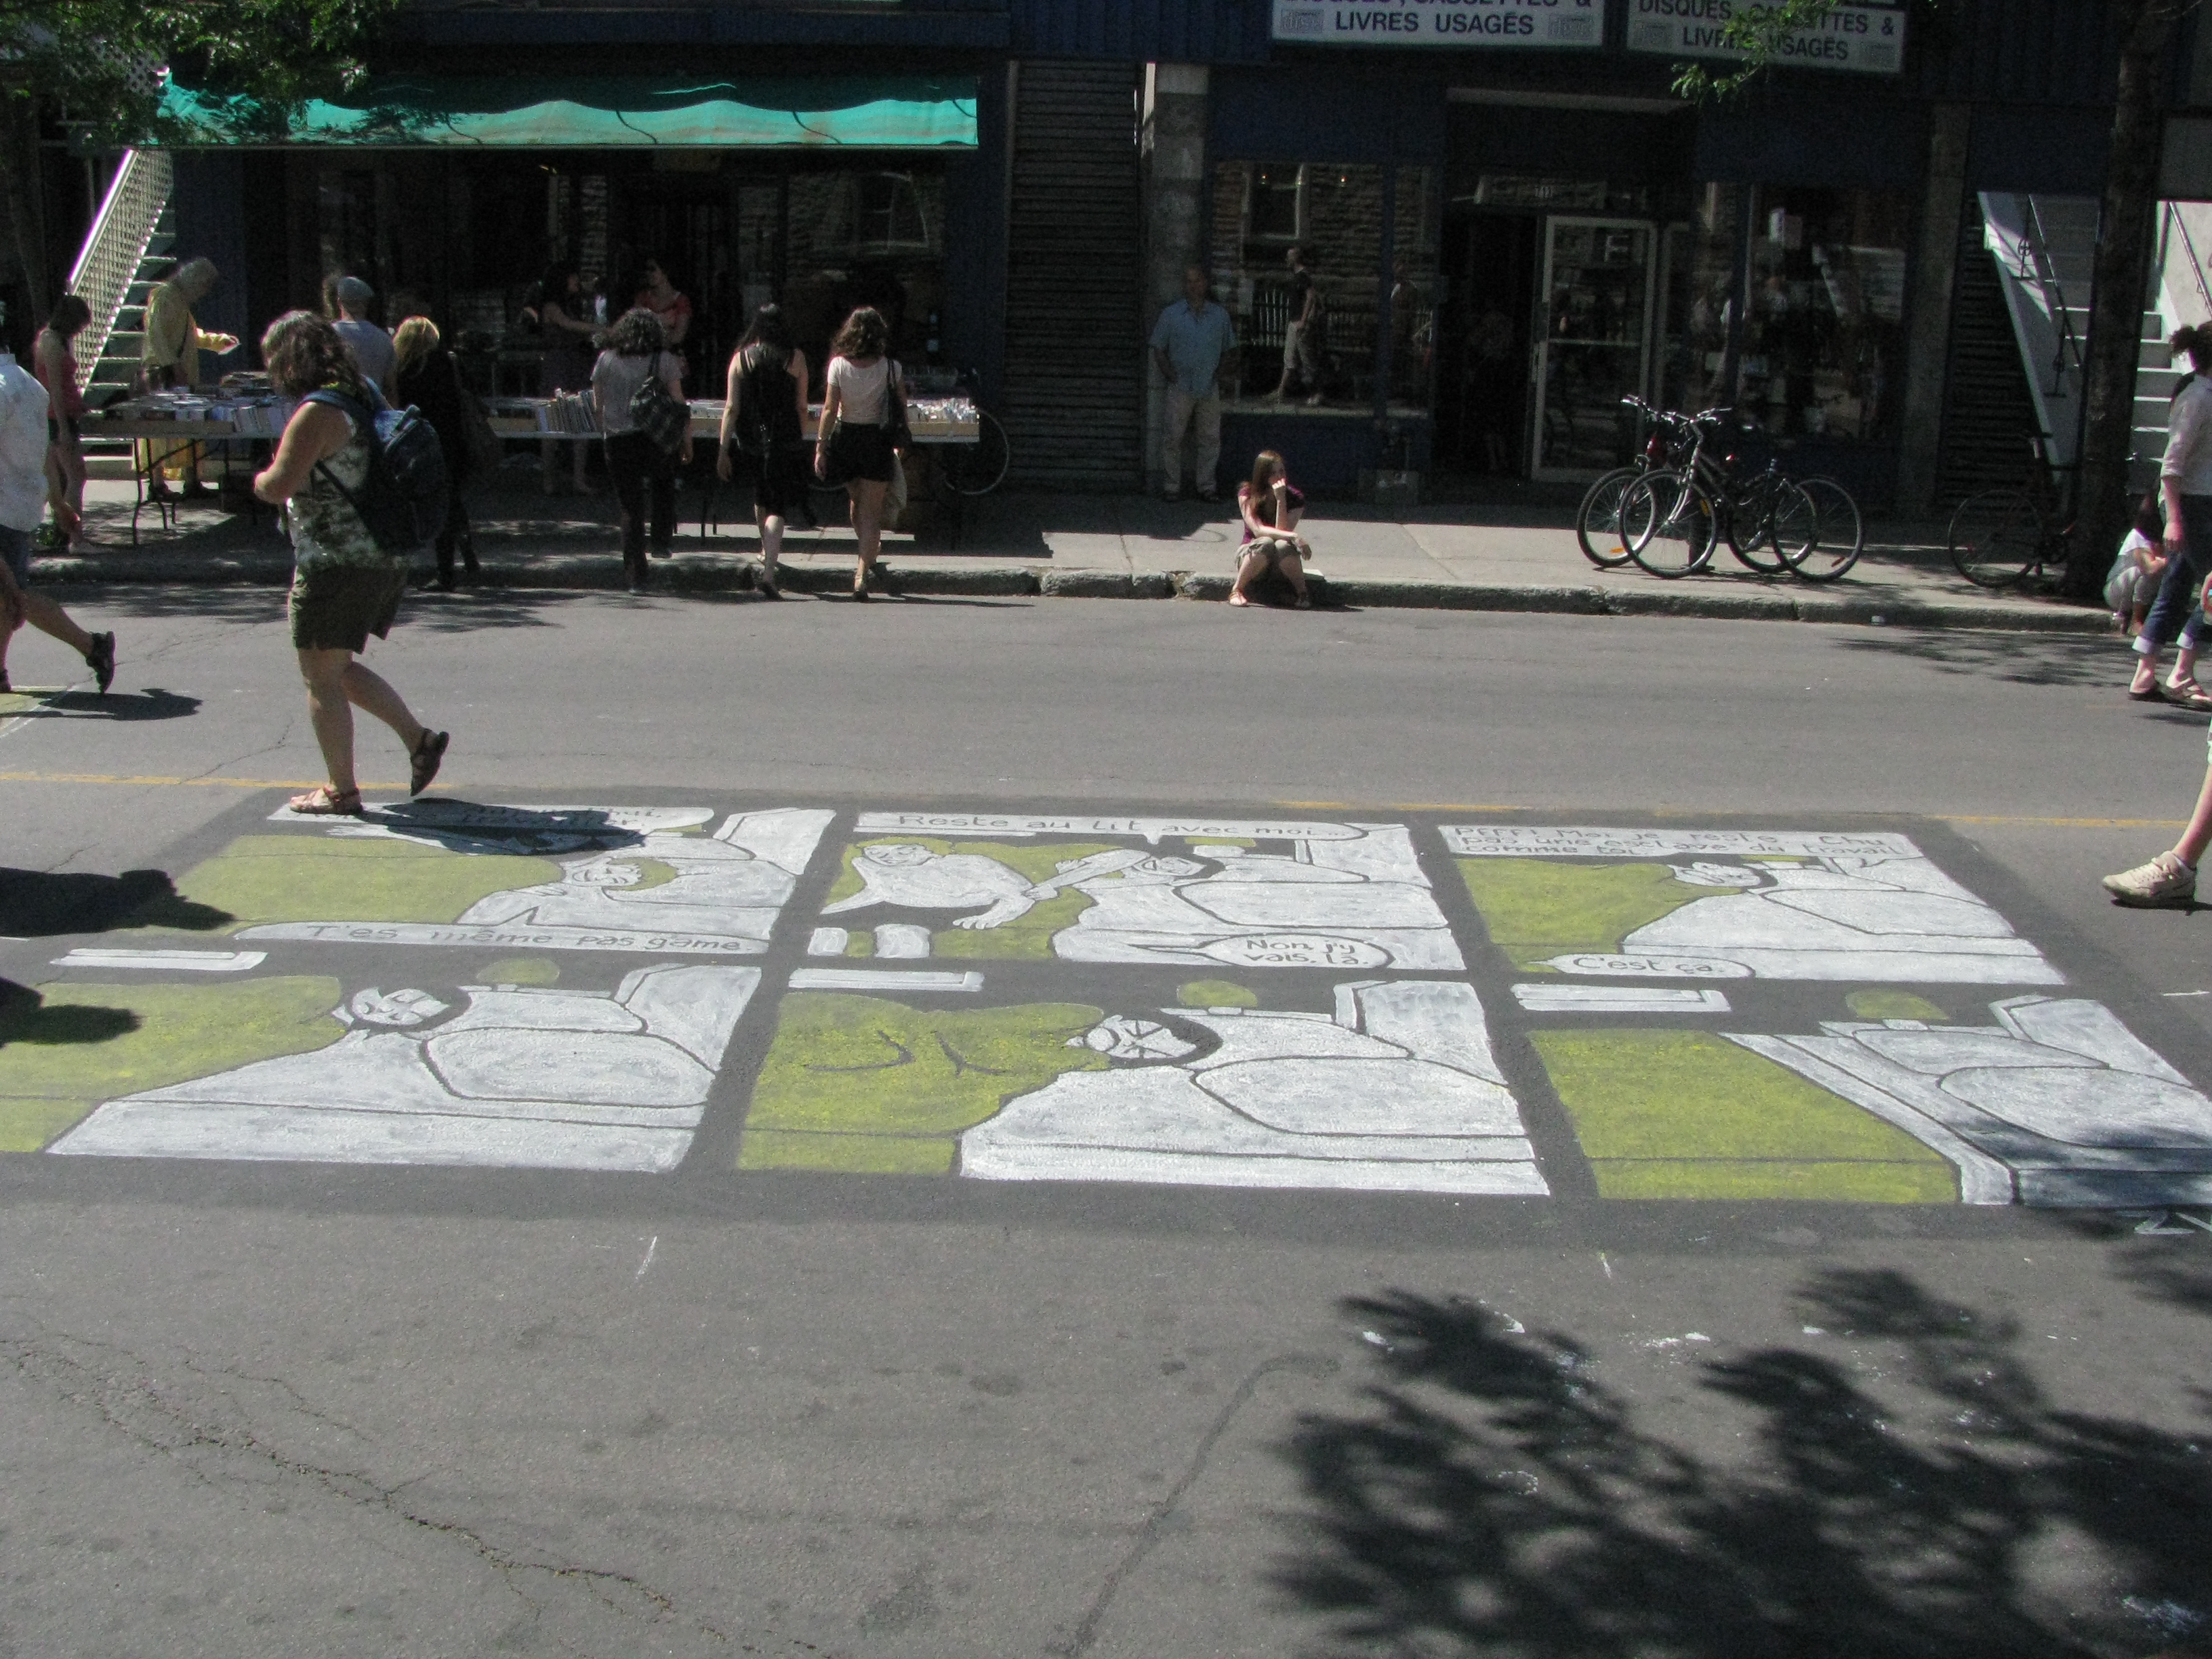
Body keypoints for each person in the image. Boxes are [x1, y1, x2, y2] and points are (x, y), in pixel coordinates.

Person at [251, 310, 447, 817]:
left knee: (320, 678)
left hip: (335, 561)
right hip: (382, 554)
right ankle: (420, 741)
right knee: (335, 668)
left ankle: (342, 790)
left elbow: (279, 484)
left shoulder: (316, 412)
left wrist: (258, 480)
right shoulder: (362, 392)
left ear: (287, 362)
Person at [0, 340, 113, 695]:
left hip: (4, 506)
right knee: (10, 594)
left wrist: (58, 502)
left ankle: (91, 645)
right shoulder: (30, 386)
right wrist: (57, 502)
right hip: (19, 506)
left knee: (13, 595)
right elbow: (44, 452)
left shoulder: (3, 390)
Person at [2129, 324, 2212, 709]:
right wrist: (2174, 519)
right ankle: (2181, 673)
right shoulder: (2198, 397)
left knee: (2177, 586)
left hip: (2202, 502)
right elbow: (2172, 464)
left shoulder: (2205, 393)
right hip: (2192, 505)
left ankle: (2145, 674)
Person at [592, 306, 690, 594]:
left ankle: (636, 577)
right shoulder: (664, 360)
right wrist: (687, 442)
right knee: (664, 483)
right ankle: (661, 541)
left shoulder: (606, 359)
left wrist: (605, 433)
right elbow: (679, 405)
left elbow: (598, 405)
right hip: (654, 438)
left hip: (618, 440)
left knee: (630, 507)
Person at [717, 303, 810, 600]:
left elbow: (732, 408)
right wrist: (802, 437)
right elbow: (801, 405)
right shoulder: (795, 358)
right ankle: (769, 572)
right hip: (785, 439)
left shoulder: (740, 359)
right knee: (777, 506)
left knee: (760, 495)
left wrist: (723, 449)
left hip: (752, 441)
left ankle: (764, 548)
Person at [814, 305, 905, 600]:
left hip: (847, 439)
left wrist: (821, 446)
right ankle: (864, 569)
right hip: (876, 441)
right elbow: (901, 407)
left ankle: (864, 566)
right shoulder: (891, 368)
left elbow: (830, 409)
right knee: (869, 511)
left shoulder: (838, 366)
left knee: (858, 504)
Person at [391, 316, 480, 590]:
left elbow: (398, 406)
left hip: (420, 443)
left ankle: (445, 573)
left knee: (433, 503)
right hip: (453, 439)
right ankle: (466, 558)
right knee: (452, 501)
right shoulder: (449, 362)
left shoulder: (404, 369)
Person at [140, 257, 239, 497]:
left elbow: (189, 335)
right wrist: (173, 365)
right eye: (204, 287)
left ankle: (191, 480)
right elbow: (157, 334)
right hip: (165, 374)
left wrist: (216, 341)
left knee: (187, 426)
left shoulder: (178, 300)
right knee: (161, 430)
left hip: (178, 372)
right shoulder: (165, 296)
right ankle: (157, 484)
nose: (203, 293)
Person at [1151, 264, 1236, 503]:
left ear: (1205, 284)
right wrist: (1170, 375)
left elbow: (1230, 349)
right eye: (1189, 281)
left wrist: (1219, 374)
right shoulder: (1171, 315)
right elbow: (1158, 348)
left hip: (1208, 386)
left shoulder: (1219, 316)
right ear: (1184, 285)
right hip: (1180, 386)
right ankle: (1172, 487)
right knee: (1173, 437)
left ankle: (1207, 487)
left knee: (1209, 439)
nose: (1193, 286)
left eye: (1197, 281)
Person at [530, 262, 597, 496]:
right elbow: (567, 325)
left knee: (583, 418)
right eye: (573, 276)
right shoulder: (551, 306)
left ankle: (579, 478)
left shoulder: (573, 305)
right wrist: (602, 329)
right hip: (558, 364)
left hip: (576, 363)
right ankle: (549, 480)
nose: (577, 280)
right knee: (552, 421)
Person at [33, 293, 94, 550]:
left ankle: (66, 533)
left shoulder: (59, 340)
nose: (80, 331)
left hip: (67, 414)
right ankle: (74, 537)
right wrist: (64, 429)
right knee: (76, 476)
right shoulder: (50, 343)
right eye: (79, 325)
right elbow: (55, 390)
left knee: (66, 479)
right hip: (57, 417)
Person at [1230, 449, 1313, 609]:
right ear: (1262, 475)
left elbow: (1282, 534)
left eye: (1282, 471)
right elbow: (1258, 530)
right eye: (1273, 473)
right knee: (1266, 542)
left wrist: (1281, 499)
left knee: (1282, 545)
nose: (1279, 477)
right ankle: (1237, 590)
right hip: (1252, 554)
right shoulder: (1247, 493)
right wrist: (1294, 536)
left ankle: (1303, 594)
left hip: (1279, 562)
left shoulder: (1296, 498)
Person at [2107, 495, 2169, 636]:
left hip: (2147, 592)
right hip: (2118, 592)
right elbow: (2149, 568)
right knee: (2144, 571)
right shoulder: (2139, 535)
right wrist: (2170, 559)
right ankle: (2136, 621)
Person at [1270, 245, 1325, 407]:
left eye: (1289, 257)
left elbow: (1311, 297)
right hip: (1293, 322)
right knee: (1289, 359)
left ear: (1295, 258)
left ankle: (1317, 393)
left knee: (1307, 360)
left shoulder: (1303, 276)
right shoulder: (1296, 277)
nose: (1286, 260)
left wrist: (1304, 320)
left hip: (1300, 324)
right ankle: (1280, 391)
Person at [330, 276, 396, 396]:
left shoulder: (329, 335)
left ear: (339, 302)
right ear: (365, 304)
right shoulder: (384, 339)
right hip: (373, 404)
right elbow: (390, 388)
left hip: (339, 404)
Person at [634, 256, 692, 356]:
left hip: (671, 357)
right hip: (645, 356)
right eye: (646, 270)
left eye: (653, 269)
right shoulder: (642, 299)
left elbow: (678, 337)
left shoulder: (681, 301)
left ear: (665, 271)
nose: (648, 274)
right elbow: (635, 330)